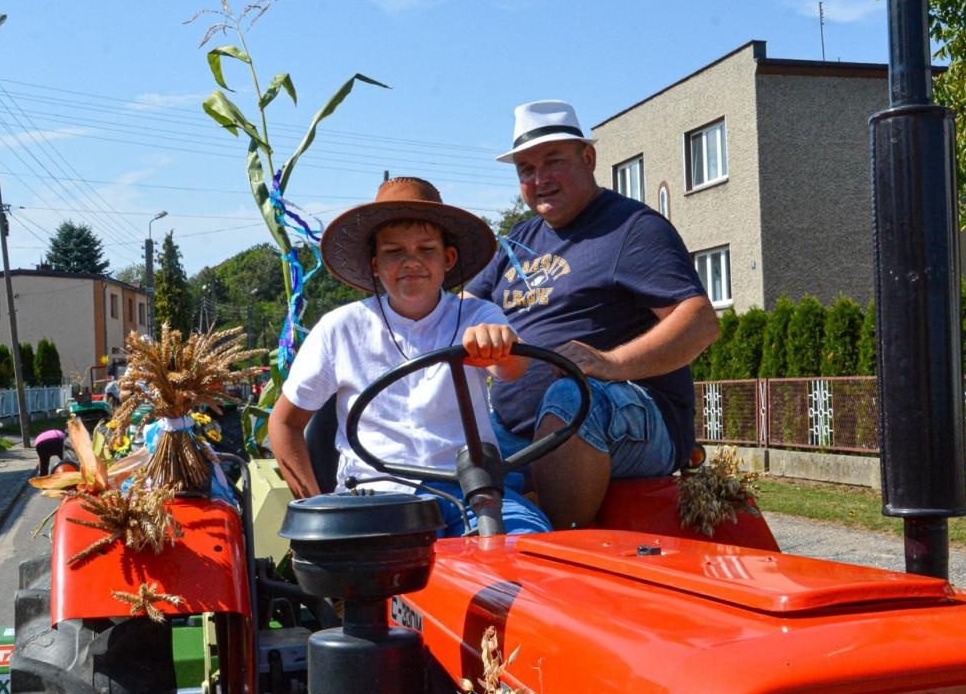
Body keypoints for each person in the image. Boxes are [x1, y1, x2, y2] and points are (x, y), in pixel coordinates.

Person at [465, 100, 719, 528]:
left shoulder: (631, 228)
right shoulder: (518, 240)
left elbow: (699, 322)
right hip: (516, 430)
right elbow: (463, 310)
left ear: (588, 158)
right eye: (526, 169)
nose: (539, 179)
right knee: (448, 444)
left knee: (573, 398)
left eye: (552, 161)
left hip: (632, 417)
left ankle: (555, 546)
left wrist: (612, 363)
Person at [268, 177, 548, 537]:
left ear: (448, 259)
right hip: (375, 492)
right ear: (374, 264)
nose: (410, 262)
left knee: (528, 545)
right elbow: (284, 423)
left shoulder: (478, 316)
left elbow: (512, 368)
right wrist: (315, 509)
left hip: (469, 486)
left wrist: (498, 346)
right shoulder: (340, 328)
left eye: (426, 249)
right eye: (394, 252)